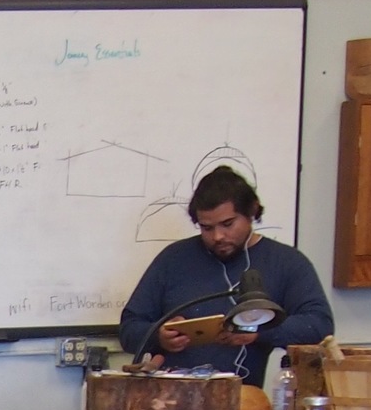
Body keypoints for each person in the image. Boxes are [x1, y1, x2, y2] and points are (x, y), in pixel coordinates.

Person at [117, 166, 334, 387]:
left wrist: (258, 332)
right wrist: (158, 336)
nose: (218, 236)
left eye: (228, 224)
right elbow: (129, 328)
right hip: (170, 403)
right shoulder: (173, 259)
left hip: (246, 404)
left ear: (252, 211)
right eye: (206, 228)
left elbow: (319, 325)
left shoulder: (286, 262)